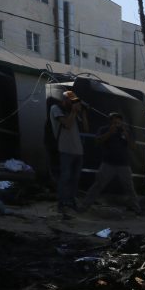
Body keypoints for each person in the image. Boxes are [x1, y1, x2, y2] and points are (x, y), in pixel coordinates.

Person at [81, 112, 141, 214]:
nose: (117, 123)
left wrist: (127, 136)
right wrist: (109, 132)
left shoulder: (126, 131)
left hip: (124, 164)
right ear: (110, 122)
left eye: (119, 121)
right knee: (98, 185)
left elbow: (134, 147)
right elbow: (97, 142)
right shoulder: (104, 129)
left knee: (129, 187)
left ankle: (137, 209)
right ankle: (85, 206)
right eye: (115, 122)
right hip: (108, 163)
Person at [50, 90, 88, 218]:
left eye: (75, 102)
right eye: (71, 102)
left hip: (78, 151)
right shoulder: (56, 108)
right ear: (64, 100)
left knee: (75, 179)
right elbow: (67, 124)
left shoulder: (74, 112)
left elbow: (86, 128)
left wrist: (83, 112)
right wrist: (74, 111)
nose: (73, 104)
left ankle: (71, 202)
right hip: (65, 149)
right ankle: (62, 203)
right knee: (65, 177)